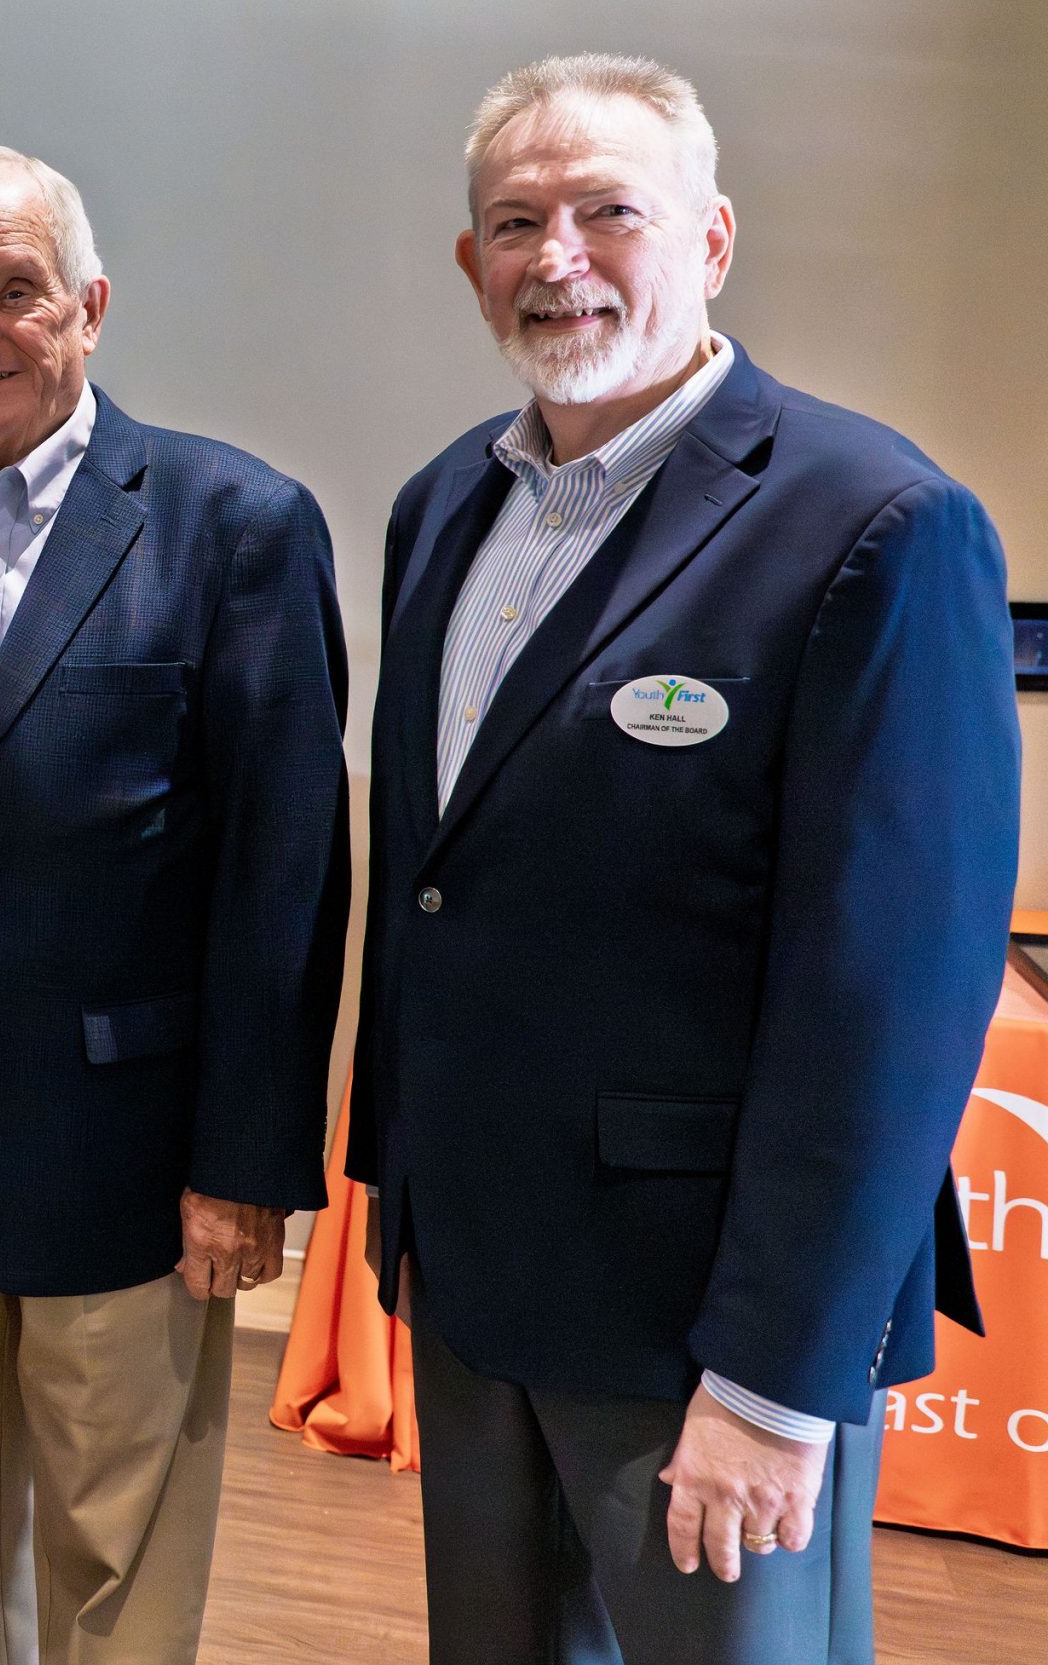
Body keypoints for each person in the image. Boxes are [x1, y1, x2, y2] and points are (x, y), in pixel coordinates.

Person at [348, 53, 1021, 1663]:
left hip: (702, 1323)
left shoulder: (876, 524)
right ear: (471, 261)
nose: (558, 257)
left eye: (609, 213)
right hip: (479, 1278)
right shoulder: (446, 504)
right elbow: (437, 882)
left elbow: (890, 1003)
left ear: (711, 240)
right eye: (518, 222)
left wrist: (779, 1378)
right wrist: (399, 1201)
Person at [0, 146, 350, 1664]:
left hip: (126, 1163)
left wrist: (245, 1162)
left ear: (88, 307)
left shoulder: (237, 524)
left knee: (119, 1570)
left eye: (16, 293)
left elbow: (284, 871)